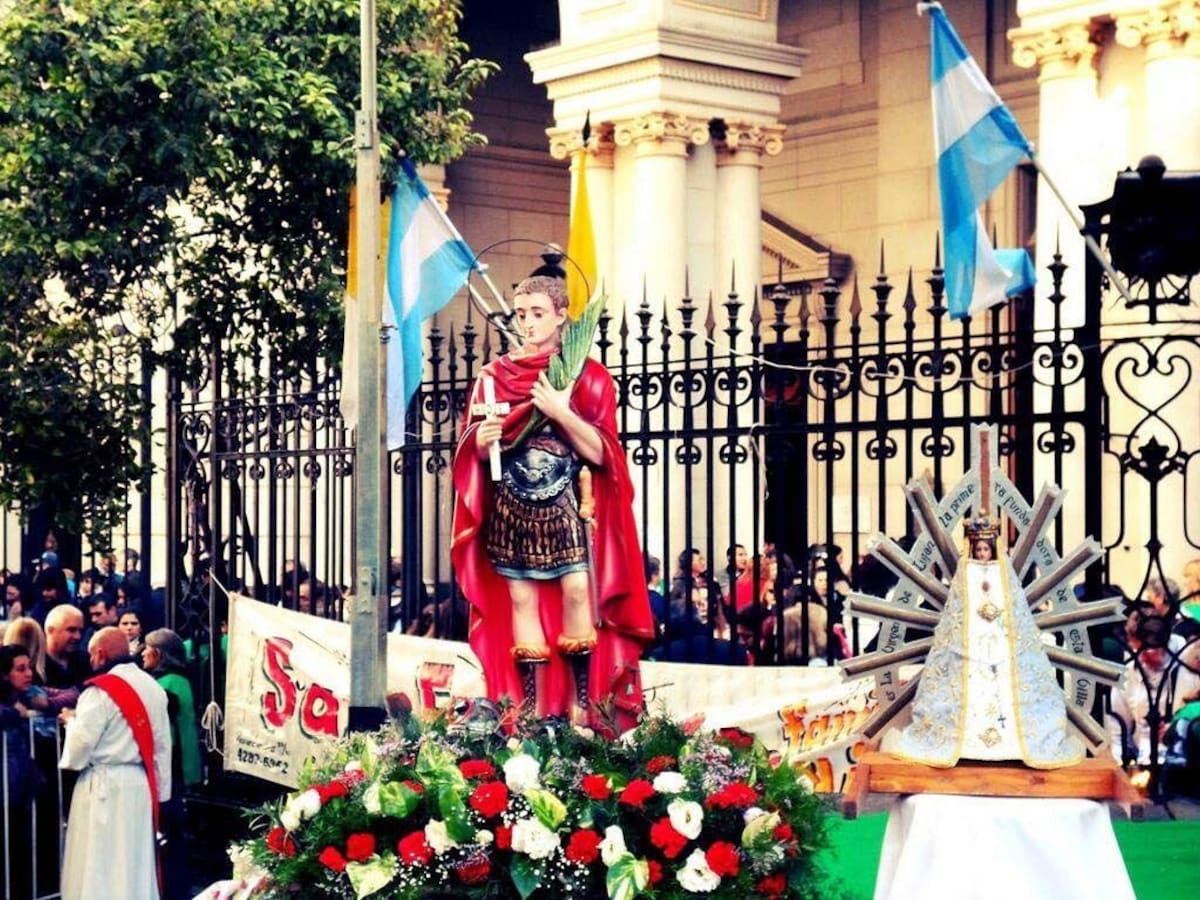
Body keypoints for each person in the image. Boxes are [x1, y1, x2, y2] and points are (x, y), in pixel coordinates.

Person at [451, 275, 654, 729]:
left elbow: (605, 454)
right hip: (513, 502)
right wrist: (483, 444)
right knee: (521, 600)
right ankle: (529, 710)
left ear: (562, 315)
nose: (527, 323)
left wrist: (561, 410)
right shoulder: (492, 378)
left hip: (567, 500)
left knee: (578, 590)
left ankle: (585, 703)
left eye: (538, 313)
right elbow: (474, 454)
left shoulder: (590, 376)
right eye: (521, 314)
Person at [885, 515, 1083, 768]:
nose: (981, 553)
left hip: (1000, 648)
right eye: (977, 549)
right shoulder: (964, 574)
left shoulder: (1003, 575)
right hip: (971, 649)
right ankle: (967, 743)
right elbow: (956, 615)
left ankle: (1008, 745)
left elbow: (1013, 612)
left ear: (993, 548)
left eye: (985, 548)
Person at [59, 627, 171, 900]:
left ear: (99, 654)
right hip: (138, 785)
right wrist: (161, 794)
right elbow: (163, 747)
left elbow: (79, 749)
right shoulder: (154, 688)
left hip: (102, 786)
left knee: (99, 861)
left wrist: (70, 721)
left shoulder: (100, 692)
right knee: (133, 861)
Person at [143, 629, 202, 900]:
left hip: (170, 768)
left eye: (148, 648)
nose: (143, 653)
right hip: (178, 767)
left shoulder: (167, 683)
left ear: (159, 653)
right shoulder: (179, 680)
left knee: (170, 835)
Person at [0, 645, 44, 899]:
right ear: (5, 674)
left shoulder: (24, 698)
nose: (28, 674)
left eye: (29, 667)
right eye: (20, 669)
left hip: (18, 790)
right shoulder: (11, 707)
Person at [44, 604, 90, 689]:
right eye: (71, 630)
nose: (78, 636)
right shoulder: (36, 665)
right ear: (50, 630)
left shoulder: (84, 661)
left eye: (80, 631)